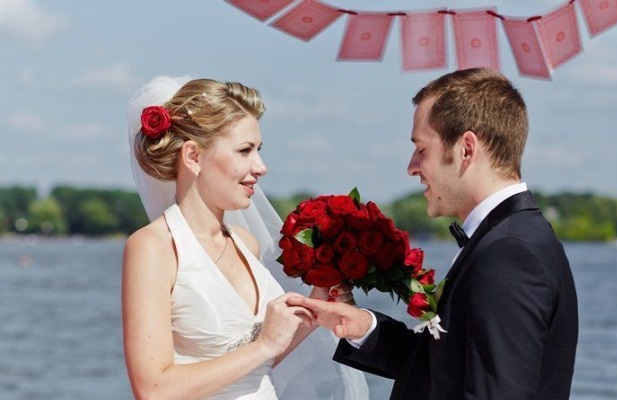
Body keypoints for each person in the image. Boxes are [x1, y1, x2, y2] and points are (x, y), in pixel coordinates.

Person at [288, 68, 579, 399]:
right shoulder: (506, 238)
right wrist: (363, 328)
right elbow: (445, 368)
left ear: (466, 149)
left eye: (422, 148)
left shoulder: (509, 254)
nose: (412, 166)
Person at [122, 76, 368, 400]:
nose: (261, 167)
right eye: (244, 151)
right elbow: (152, 389)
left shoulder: (244, 242)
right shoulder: (153, 248)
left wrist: (317, 301)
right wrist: (265, 344)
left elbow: (256, 365)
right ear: (194, 157)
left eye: (259, 150)